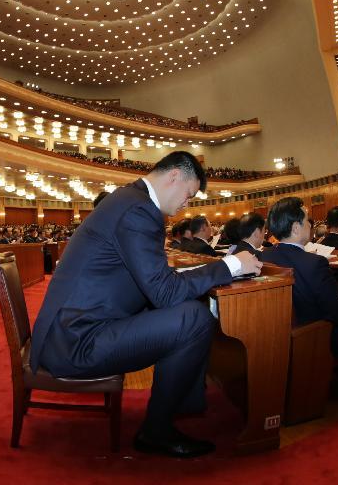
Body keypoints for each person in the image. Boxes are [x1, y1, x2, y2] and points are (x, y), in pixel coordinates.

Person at [31, 151, 262, 458]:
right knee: (193, 318)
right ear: (174, 176)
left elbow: (153, 279)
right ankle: (158, 430)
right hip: (77, 341)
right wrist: (230, 265)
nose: (186, 206)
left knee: (187, 311)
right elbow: (163, 293)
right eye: (188, 195)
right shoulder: (138, 210)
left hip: (74, 328)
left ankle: (182, 404)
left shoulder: (129, 200)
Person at [261, 197, 338, 357]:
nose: (310, 225)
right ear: (295, 228)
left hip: (280, 336)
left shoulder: (263, 257)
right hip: (315, 337)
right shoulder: (315, 263)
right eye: (307, 221)